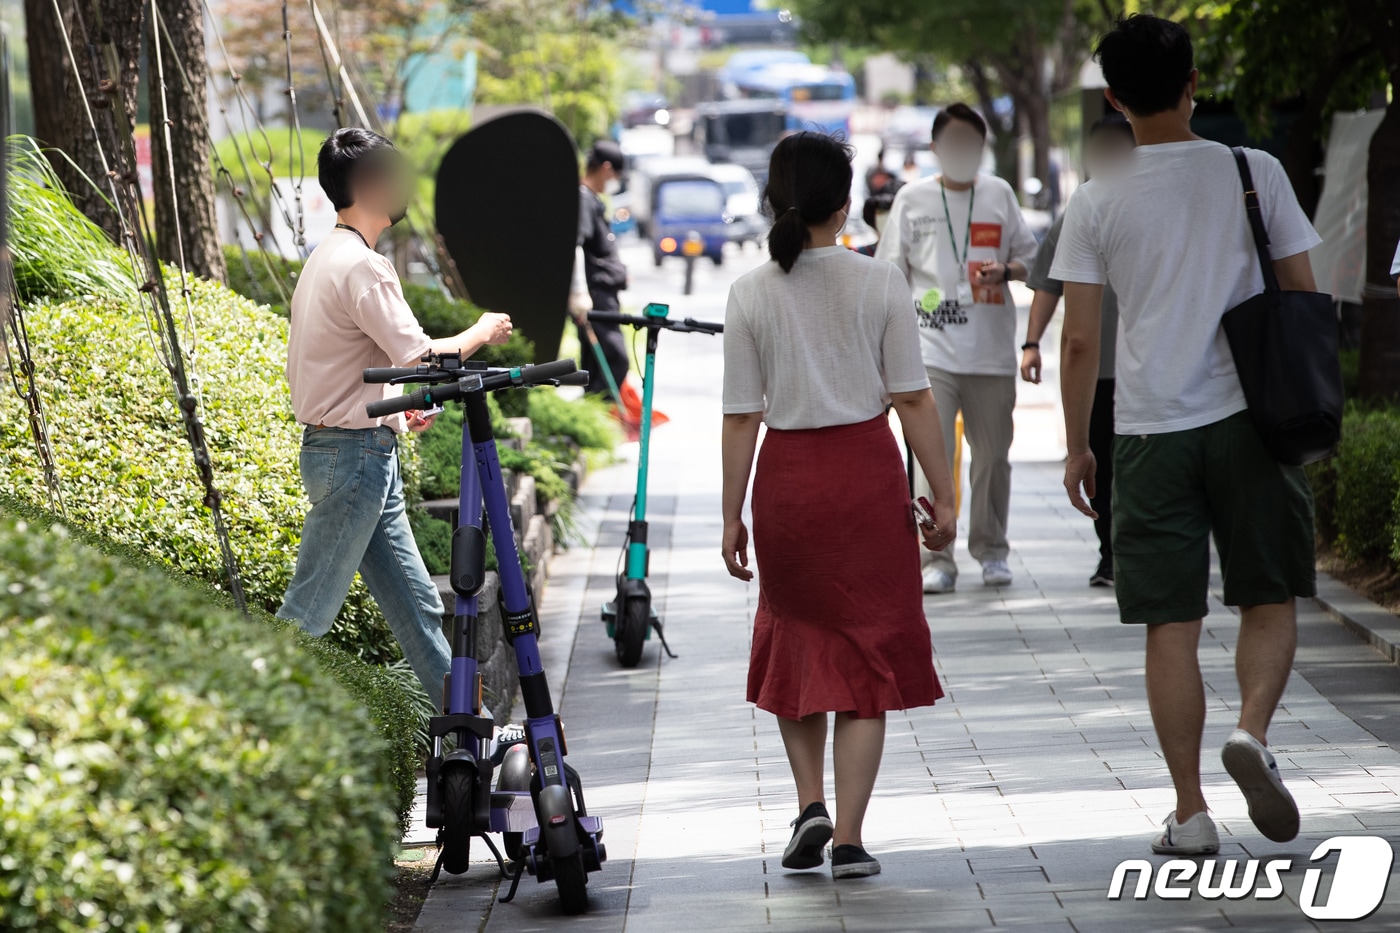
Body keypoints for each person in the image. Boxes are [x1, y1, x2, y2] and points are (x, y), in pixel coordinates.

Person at [1052, 14, 1322, 856]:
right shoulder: (1256, 171)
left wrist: (1077, 442)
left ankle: (1190, 809)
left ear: (1113, 99)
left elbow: (1080, 339)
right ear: (1193, 81)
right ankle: (1250, 731)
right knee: (1267, 595)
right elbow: (1302, 290)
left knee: (1169, 620)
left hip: (1149, 429)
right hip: (1253, 420)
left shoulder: (1097, 199)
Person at [721, 132, 957, 880]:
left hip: (788, 482)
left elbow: (739, 417)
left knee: (796, 639)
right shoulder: (879, 280)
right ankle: (851, 837)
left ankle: (809, 802)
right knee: (869, 645)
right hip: (865, 477)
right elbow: (913, 396)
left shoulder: (750, 291)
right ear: (846, 204)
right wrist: (943, 490)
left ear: (772, 201)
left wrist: (732, 515)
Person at [278, 127, 514, 701]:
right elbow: (423, 356)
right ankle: (244, 728)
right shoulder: (361, 265)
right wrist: (484, 329)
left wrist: (395, 414)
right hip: (354, 458)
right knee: (305, 616)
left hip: (356, 450)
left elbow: (350, 363)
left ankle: (470, 728)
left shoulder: (327, 257)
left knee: (416, 606)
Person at [876, 103, 1039, 594]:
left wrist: (1005, 272)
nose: (962, 153)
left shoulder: (999, 194)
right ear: (935, 147)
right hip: (930, 354)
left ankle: (992, 550)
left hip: (989, 350)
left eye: (972, 143)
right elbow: (890, 274)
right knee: (933, 460)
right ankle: (937, 557)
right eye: (953, 143)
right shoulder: (913, 198)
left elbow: (1029, 259)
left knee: (992, 458)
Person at [1021, 115, 1137, 588]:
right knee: (1102, 465)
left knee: (1128, 466)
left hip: (1140, 368)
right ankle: (1111, 555)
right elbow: (1047, 284)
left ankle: (1133, 552)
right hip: (1098, 373)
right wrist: (1031, 343)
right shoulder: (1080, 211)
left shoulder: (1147, 207)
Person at [570, 140, 631, 398]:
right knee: (615, 359)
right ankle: (602, 412)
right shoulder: (584, 199)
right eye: (616, 174)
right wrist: (579, 292)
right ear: (607, 168)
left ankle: (595, 414)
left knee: (595, 363)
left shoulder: (592, 200)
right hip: (594, 296)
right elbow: (576, 245)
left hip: (603, 294)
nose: (615, 180)